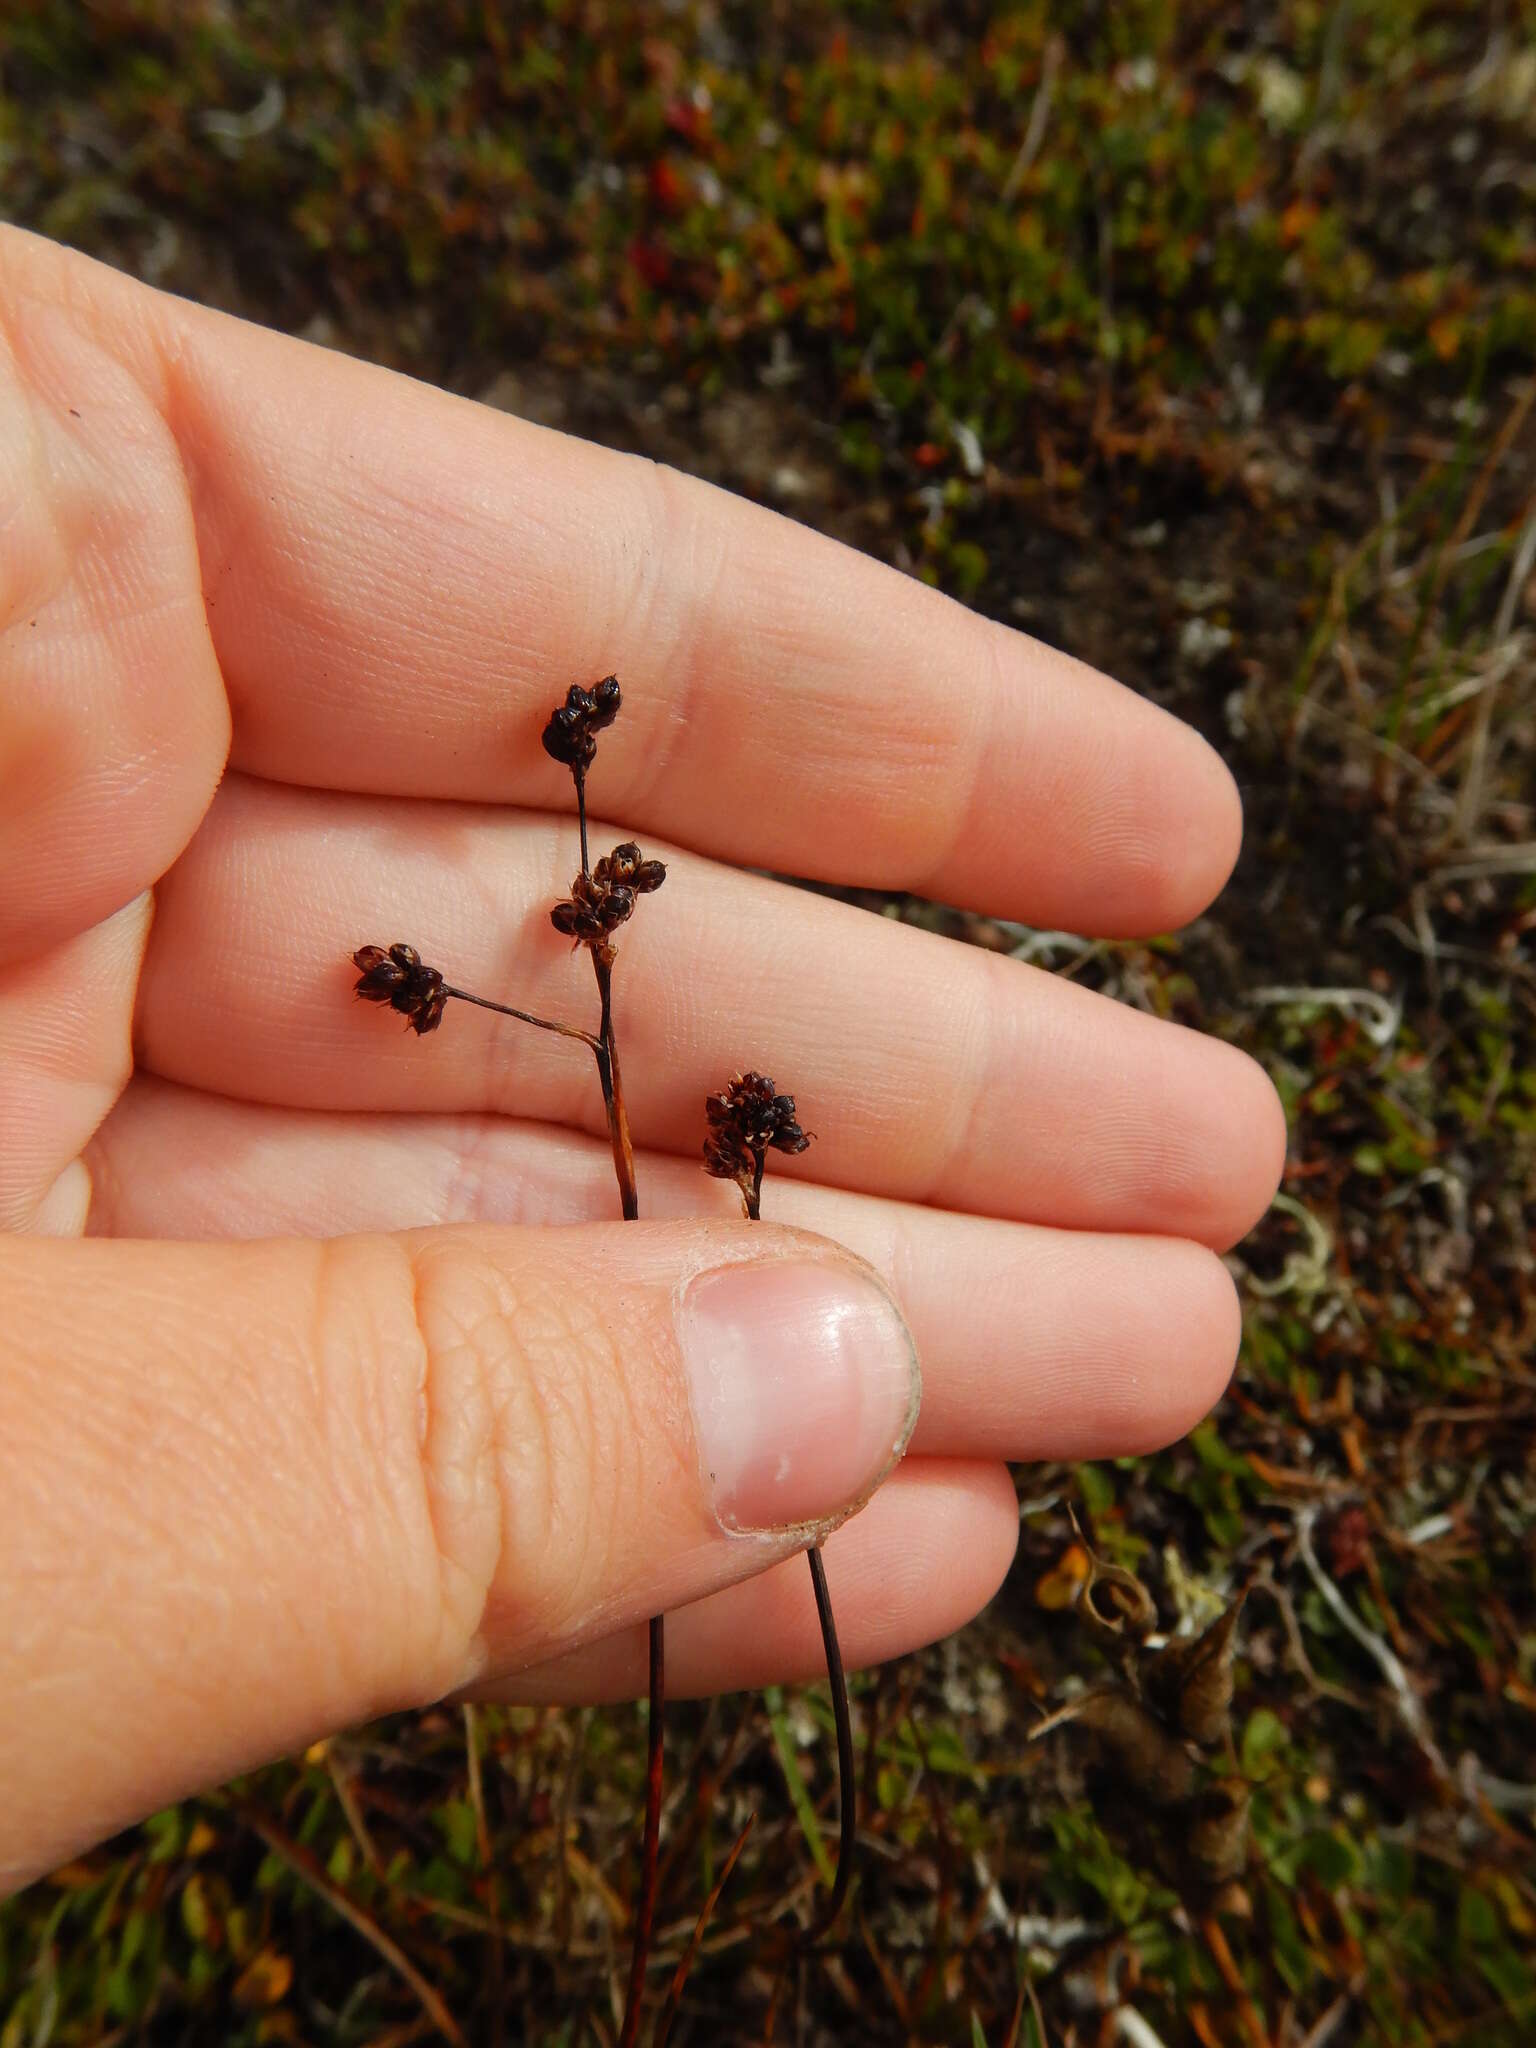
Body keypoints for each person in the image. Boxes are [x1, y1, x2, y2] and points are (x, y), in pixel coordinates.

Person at [0, 224, 1285, 1895]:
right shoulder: (553, 945)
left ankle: (809, 1896)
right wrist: (449, 1463)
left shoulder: (586, 941)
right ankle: (788, 1903)